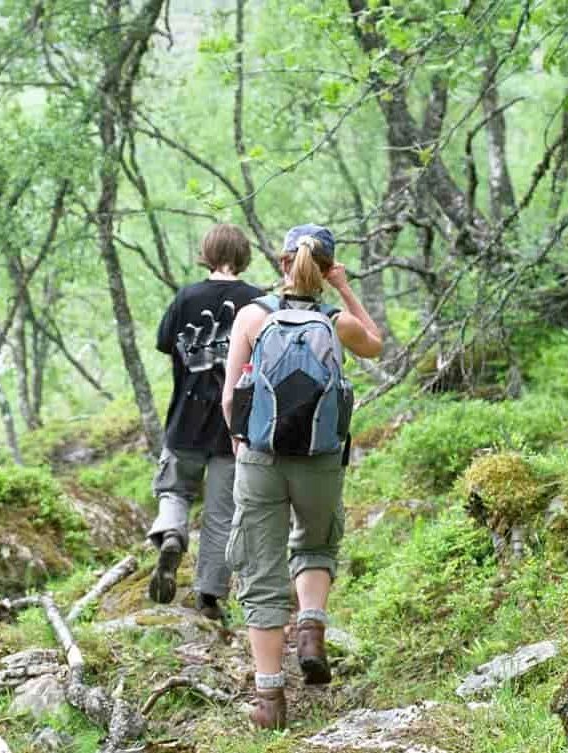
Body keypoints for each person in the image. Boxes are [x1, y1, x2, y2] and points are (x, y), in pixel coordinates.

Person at [221, 224, 383, 729]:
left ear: (282, 262)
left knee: (261, 573)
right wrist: (344, 287)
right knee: (315, 544)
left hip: (260, 460)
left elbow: (230, 396)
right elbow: (375, 345)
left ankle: (270, 703)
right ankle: (311, 627)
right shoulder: (335, 322)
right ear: (325, 266)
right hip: (319, 459)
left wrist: (241, 445)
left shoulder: (253, 315)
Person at [148, 223, 265, 622]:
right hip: (233, 426)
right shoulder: (258, 302)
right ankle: (209, 596)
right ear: (244, 254)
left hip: (185, 418)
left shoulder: (186, 298)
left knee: (174, 490)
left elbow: (168, 345)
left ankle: (172, 535)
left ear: (207, 253)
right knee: (221, 512)